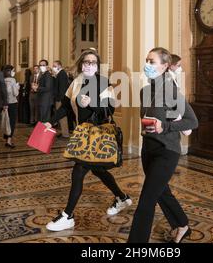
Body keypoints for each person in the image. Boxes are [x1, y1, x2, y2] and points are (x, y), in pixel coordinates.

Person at [43, 49, 132, 232]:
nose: (89, 65)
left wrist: (90, 103)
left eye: (92, 62)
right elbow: (66, 107)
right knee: (99, 170)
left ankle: (67, 215)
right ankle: (122, 198)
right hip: (82, 133)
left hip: (97, 135)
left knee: (78, 171)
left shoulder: (103, 82)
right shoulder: (75, 82)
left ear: (97, 65)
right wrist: (50, 121)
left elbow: (110, 109)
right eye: (85, 62)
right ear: (80, 64)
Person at [128, 47, 198, 243]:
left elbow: (192, 121)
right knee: (161, 192)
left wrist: (164, 126)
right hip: (148, 149)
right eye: (146, 61)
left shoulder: (170, 90)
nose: (147, 65)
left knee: (147, 199)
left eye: (152, 62)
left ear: (165, 66)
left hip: (167, 152)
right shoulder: (144, 91)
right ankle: (182, 224)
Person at [52, 60, 70, 138]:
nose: (53, 67)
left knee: (62, 117)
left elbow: (62, 88)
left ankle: (65, 134)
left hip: (61, 99)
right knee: (60, 116)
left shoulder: (62, 74)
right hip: (59, 98)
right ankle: (62, 132)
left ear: (59, 65)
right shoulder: (59, 74)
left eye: (55, 66)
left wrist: (60, 99)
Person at [3, 65, 20, 148]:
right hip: (12, 103)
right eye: (13, 70)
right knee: (12, 122)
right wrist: (17, 87)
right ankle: (9, 141)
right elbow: (15, 93)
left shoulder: (2, 79)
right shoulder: (13, 80)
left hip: (4, 103)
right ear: (10, 71)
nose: (14, 72)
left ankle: (6, 137)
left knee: (6, 121)